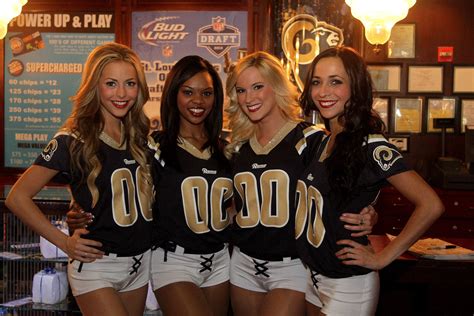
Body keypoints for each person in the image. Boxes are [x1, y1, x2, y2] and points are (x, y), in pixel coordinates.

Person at [5, 42, 154, 316]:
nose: (121, 93)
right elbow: (17, 197)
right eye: (111, 83)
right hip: (96, 266)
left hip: (140, 265)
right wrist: (64, 242)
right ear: (94, 86)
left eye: (130, 83)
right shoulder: (72, 139)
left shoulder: (140, 136)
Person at [224, 50, 378, 316]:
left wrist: (371, 210)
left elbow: (351, 181)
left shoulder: (311, 139)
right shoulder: (236, 145)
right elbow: (233, 204)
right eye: (241, 90)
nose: (249, 98)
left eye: (258, 87)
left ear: (277, 87)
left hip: (293, 266)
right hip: (243, 264)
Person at [296, 46, 445, 315]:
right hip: (313, 278)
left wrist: (383, 257)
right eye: (317, 82)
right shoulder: (320, 141)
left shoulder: (370, 145)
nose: (323, 92)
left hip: (349, 284)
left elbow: (431, 204)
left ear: (357, 88)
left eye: (336, 82)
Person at [147, 55, 233, 316]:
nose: (198, 101)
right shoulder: (155, 147)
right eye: (188, 92)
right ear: (174, 94)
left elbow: (235, 206)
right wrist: (80, 211)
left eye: (206, 93)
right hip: (173, 262)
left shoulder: (227, 150)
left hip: (219, 261)